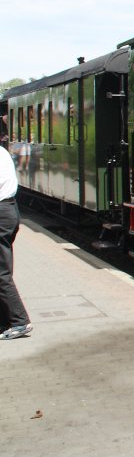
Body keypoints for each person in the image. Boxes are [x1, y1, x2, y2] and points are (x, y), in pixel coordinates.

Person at [0, 144, 31, 340]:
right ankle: (6, 322)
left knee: (1, 273)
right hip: (8, 210)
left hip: (2, 212)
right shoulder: (2, 152)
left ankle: (20, 321)